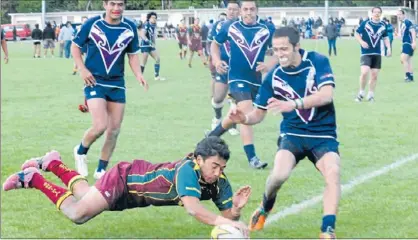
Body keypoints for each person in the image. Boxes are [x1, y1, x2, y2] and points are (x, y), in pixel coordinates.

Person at [224, 26, 340, 239]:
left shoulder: (317, 61)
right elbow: (258, 115)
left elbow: (326, 95)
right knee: (278, 175)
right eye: (276, 50)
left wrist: (293, 104)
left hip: (323, 134)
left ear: (297, 46)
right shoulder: (273, 76)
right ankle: (265, 206)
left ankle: (327, 230)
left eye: (284, 49)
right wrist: (244, 119)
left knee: (332, 173)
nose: (279, 54)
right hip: (293, 134)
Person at [3, 137, 250, 236]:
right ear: (199, 159)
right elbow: (193, 209)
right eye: (214, 166)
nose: (217, 173)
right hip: (125, 179)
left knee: (85, 195)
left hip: (135, 197)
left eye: (222, 168)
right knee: (77, 213)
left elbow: (228, 219)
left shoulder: (221, 183)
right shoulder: (188, 170)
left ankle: (53, 162)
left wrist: (236, 211)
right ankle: (33, 179)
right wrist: (225, 222)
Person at [71, 0, 148, 179]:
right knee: (100, 125)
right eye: (112, 4)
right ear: (105, 4)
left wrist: (138, 75)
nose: (116, 8)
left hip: (116, 83)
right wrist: (82, 69)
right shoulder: (92, 24)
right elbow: (75, 47)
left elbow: (132, 55)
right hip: (94, 81)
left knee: (114, 130)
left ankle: (101, 170)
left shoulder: (129, 27)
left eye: (120, 4)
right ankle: (81, 151)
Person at [208, 0, 274, 169]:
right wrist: (216, 60)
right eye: (245, 9)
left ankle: (210, 138)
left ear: (257, 10)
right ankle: (252, 158)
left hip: (257, 81)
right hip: (237, 78)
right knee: (246, 113)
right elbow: (215, 44)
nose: (248, 12)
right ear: (241, 11)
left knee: (242, 117)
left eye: (252, 9)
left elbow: (283, 48)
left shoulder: (267, 28)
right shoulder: (230, 26)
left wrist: (269, 64)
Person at [208, 4, 240, 136]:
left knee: (235, 97)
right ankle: (217, 118)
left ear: (239, 11)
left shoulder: (243, 26)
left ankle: (232, 124)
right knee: (218, 98)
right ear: (226, 10)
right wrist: (214, 61)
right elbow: (212, 44)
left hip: (238, 67)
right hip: (223, 65)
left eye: (235, 9)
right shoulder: (219, 26)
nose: (232, 12)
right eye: (230, 9)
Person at [354, 6, 391, 102]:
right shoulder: (365, 23)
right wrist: (361, 42)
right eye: (375, 12)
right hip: (366, 52)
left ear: (381, 14)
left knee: (374, 75)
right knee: (364, 72)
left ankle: (370, 95)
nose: (377, 14)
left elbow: (385, 37)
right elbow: (356, 33)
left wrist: (389, 48)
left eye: (379, 12)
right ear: (372, 13)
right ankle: (361, 92)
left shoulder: (383, 24)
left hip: (377, 53)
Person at [139, 11, 165, 81]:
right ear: (149, 18)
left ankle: (156, 76)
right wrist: (148, 41)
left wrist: (153, 43)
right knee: (144, 62)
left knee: (157, 59)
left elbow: (152, 35)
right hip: (145, 45)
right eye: (152, 17)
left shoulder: (153, 25)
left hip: (150, 45)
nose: (154, 19)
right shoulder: (146, 24)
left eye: (155, 18)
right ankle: (140, 79)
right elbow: (141, 34)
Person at [397, 9, 416, 82]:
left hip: (408, 43)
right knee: (408, 60)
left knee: (403, 59)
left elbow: (413, 31)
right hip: (405, 43)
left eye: (400, 14)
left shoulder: (407, 22)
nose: (399, 16)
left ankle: (407, 76)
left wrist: (414, 42)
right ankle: (410, 76)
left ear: (404, 15)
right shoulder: (402, 23)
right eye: (398, 14)